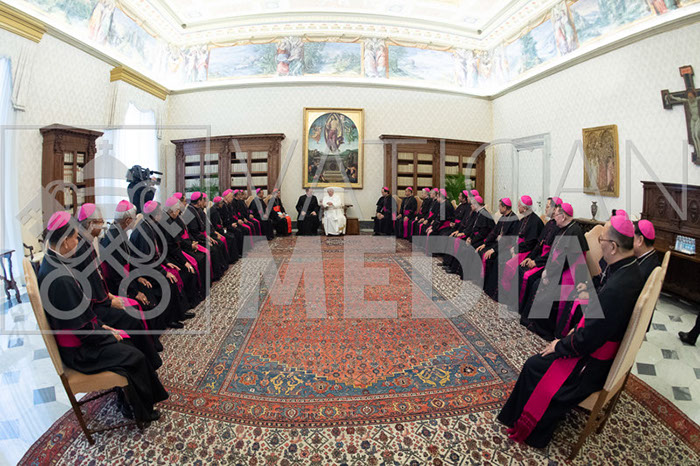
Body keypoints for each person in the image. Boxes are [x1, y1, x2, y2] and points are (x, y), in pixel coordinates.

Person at [498, 215, 643, 448]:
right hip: (600, 346)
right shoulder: (630, 269)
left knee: (534, 365)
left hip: (592, 365)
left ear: (613, 247)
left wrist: (560, 344)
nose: (600, 245)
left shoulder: (617, 288)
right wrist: (581, 324)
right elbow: (600, 321)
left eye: (602, 240)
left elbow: (587, 339)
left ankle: (528, 427)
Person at [38, 211, 168, 423]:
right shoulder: (60, 278)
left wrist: (102, 326)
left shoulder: (54, 261)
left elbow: (78, 313)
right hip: (79, 351)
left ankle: (129, 398)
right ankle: (140, 411)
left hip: (82, 334)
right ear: (65, 241)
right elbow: (80, 327)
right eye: (75, 237)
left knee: (128, 341)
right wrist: (107, 333)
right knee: (134, 355)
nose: (78, 241)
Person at [75, 203, 163, 362]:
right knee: (141, 306)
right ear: (90, 224)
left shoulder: (107, 236)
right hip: (113, 289)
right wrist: (127, 294)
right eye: (100, 221)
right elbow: (113, 274)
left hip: (115, 286)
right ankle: (148, 354)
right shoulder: (101, 241)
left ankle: (151, 343)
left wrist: (137, 279)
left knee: (150, 294)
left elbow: (123, 264)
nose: (103, 224)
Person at [520, 203, 589, 341]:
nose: (554, 217)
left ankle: (543, 329)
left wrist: (549, 273)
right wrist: (547, 270)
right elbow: (555, 254)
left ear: (563, 216)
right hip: (560, 268)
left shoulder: (574, 232)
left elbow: (566, 259)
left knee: (543, 286)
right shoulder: (563, 229)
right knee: (537, 283)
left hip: (571, 273)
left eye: (556, 215)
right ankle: (532, 321)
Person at [130, 201, 197, 321]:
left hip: (154, 264)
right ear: (155, 216)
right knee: (170, 281)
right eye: (160, 213)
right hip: (144, 269)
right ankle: (172, 318)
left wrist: (165, 262)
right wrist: (164, 272)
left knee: (176, 273)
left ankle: (180, 311)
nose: (162, 214)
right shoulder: (144, 232)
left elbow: (159, 250)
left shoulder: (150, 225)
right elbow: (147, 260)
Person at [499, 196, 544, 300]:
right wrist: (514, 247)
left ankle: (508, 297)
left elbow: (531, 242)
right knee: (502, 259)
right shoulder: (524, 218)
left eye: (519, 206)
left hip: (527, 250)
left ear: (524, 208)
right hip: (518, 247)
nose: (517, 208)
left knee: (509, 265)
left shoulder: (535, 221)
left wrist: (516, 249)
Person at [479, 197, 520, 300]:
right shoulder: (503, 217)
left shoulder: (514, 219)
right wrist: (485, 243)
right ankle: (485, 285)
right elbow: (494, 232)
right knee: (483, 251)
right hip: (498, 244)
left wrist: (493, 249)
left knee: (497, 259)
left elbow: (508, 240)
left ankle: (495, 291)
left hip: (507, 247)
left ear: (505, 207)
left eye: (500, 206)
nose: (499, 208)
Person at [185, 192, 229, 279]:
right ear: (199, 201)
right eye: (203, 200)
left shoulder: (198, 209)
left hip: (202, 236)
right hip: (196, 239)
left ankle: (221, 268)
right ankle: (215, 275)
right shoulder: (189, 212)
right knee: (214, 249)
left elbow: (204, 226)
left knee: (217, 244)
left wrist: (208, 237)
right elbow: (194, 232)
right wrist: (205, 240)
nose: (204, 202)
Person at [208, 196, 242, 263]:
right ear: (218, 204)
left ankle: (235, 256)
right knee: (231, 237)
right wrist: (222, 229)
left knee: (233, 235)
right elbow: (215, 224)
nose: (222, 204)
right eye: (221, 203)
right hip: (217, 231)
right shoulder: (213, 211)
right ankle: (231, 259)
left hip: (221, 228)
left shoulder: (217, 209)